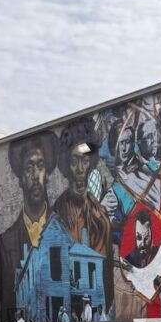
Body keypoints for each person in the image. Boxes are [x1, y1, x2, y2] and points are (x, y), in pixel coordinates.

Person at [52, 117, 114, 309]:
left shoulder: (99, 214)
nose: (80, 169)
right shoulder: (59, 212)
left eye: (84, 161)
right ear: (65, 167)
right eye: (74, 161)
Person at [0, 130, 58, 322]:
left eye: (40, 166)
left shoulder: (63, 231)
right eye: (28, 168)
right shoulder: (6, 242)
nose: (34, 176)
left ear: (47, 175)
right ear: (20, 179)